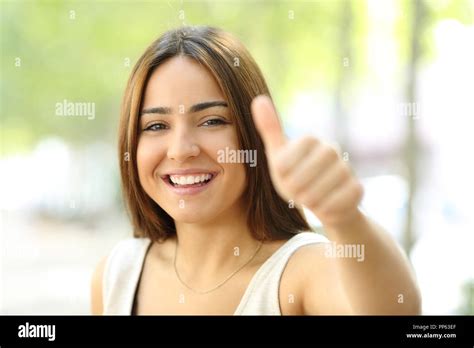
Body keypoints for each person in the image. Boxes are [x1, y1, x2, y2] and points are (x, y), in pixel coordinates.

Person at [91, 26, 421, 315]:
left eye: (212, 121)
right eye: (156, 125)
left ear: (254, 134)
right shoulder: (117, 275)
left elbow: (396, 310)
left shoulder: (299, 271)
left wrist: (344, 218)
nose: (180, 149)